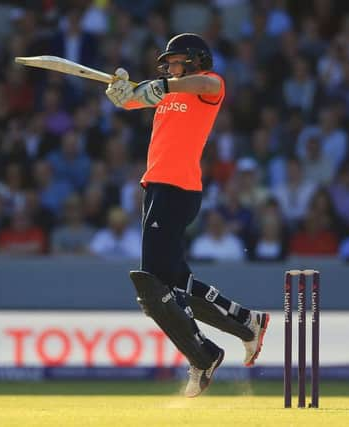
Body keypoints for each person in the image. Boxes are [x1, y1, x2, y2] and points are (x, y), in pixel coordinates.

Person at [105, 33, 270, 397]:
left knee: (151, 286)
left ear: (196, 60)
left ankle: (203, 356)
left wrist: (161, 85)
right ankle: (247, 322)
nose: (170, 67)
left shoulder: (208, 86)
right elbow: (134, 100)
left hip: (177, 188)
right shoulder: (169, 91)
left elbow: (203, 82)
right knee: (175, 283)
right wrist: (122, 91)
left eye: (177, 61)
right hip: (158, 190)